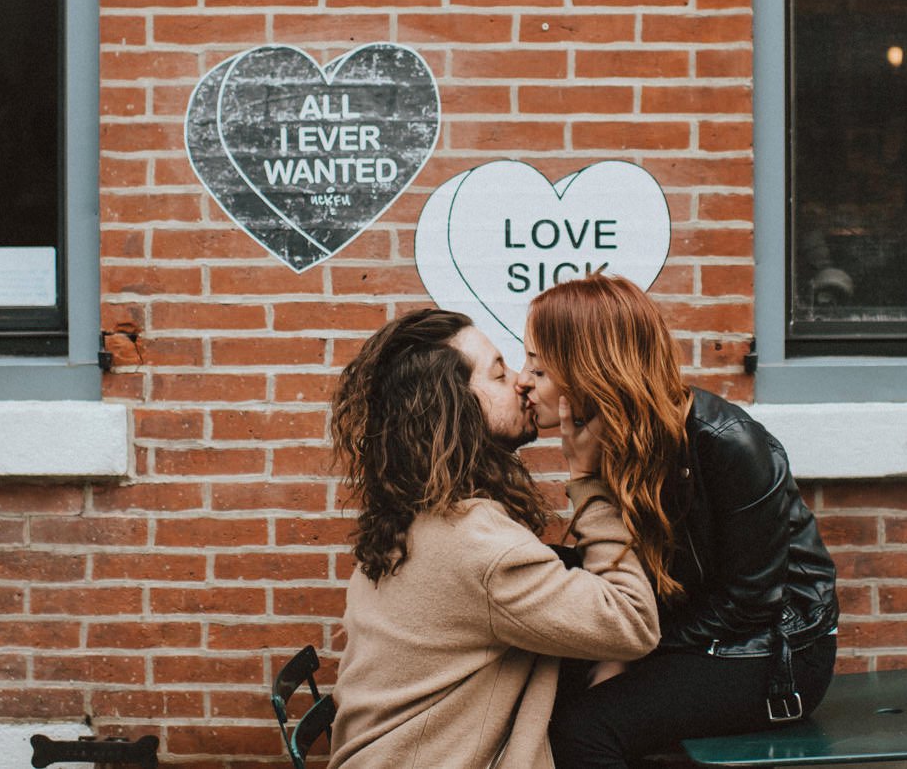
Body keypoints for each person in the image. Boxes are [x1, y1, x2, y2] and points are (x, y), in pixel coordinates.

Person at [520, 274, 840, 769]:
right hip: (691, 626)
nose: (523, 380)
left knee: (585, 731)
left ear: (586, 370)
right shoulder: (609, 440)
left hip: (775, 649)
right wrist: (584, 475)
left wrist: (628, 654)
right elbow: (616, 572)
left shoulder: (727, 442)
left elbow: (750, 602)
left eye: (537, 370)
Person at [325, 308, 661, 769]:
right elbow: (631, 621)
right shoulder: (477, 544)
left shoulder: (415, 512)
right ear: (456, 406)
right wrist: (588, 479)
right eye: (501, 374)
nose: (523, 383)